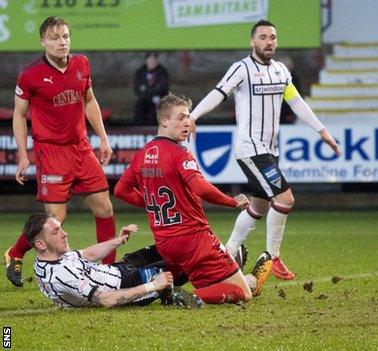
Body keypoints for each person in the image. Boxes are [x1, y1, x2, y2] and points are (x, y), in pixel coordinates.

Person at [188, 19, 341, 280]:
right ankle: (273, 256)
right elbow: (218, 93)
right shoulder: (242, 68)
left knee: (258, 208)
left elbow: (296, 102)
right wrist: (194, 115)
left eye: (272, 37)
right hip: (250, 149)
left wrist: (321, 130)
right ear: (252, 41)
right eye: (263, 37)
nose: (268, 41)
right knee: (285, 199)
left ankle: (226, 253)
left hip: (269, 150)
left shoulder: (281, 71)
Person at [114, 93, 272, 304]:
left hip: (164, 242)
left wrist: (152, 204)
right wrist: (232, 201)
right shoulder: (180, 154)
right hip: (194, 240)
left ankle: (231, 270)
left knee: (211, 280)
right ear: (164, 121)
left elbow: (120, 190)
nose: (187, 122)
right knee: (242, 292)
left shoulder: (142, 154)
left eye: (188, 117)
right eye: (180, 117)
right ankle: (194, 297)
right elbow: (201, 188)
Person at [6, 16, 117, 288]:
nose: (62, 42)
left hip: (81, 147)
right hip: (51, 152)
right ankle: (16, 252)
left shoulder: (81, 64)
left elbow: (89, 101)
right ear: (43, 41)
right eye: (55, 38)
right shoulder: (30, 74)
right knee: (55, 221)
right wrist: (23, 154)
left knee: (105, 208)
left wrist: (103, 138)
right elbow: (19, 115)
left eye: (65, 36)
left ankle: (110, 271)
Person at [23, 212, 200, 308]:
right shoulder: (61, 275)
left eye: (61, 228)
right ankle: (167, 292)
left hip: (120, 267)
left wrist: (118, 240)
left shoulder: (50, 257)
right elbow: (106, 299)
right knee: (185, 263)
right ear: (40, 243)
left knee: (170, 246)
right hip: (126, 285)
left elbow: (87, 254)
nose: (65, 234)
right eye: (56, 232)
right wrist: (153, 285)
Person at [133, 52, 170, 125]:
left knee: (157, 110)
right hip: (144, 98)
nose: (152, 63)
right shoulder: (140, 72)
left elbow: (163, 88)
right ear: (146, 61)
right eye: (150, 61)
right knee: (138, 107)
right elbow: (137, 89)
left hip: (159, 99)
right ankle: (139, 129)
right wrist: (152, 91)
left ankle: (153, 130)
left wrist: (146, 90)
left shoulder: (162, 71)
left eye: (154, 61)